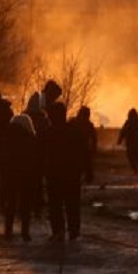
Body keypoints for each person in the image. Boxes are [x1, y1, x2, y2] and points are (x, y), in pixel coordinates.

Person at [46, 101, 92, 241]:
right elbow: (85, 152)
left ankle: (59, 231)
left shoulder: (49, 133)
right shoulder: (74, 131)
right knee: (72, 204)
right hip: (72, 174)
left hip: (55, 175)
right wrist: (88, 170)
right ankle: (73, 231)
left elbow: (41, 155)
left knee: (56, 204)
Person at [0, 113, 40, 241]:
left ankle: (8, 230)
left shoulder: (7, 137)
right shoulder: (31, 138)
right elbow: (35, 158)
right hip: (27, 174)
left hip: (11, 173)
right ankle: (25, 232)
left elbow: (3, 157)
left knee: (11, 203)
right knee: (26, 205)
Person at [24, 92, 50, 219]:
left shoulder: (24, 118)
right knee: (38, 182)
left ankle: (27, 206)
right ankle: (37, 207)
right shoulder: (44, 119)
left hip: (27, 154)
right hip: (40, 154)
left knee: (27, 181)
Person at [118, 108, 138, 174]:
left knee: (134, 156)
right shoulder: (132, 123)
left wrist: (120, 140)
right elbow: (123, 131)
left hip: (136, 142)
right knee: (133, 156)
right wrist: (120, 140)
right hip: (132, 142)